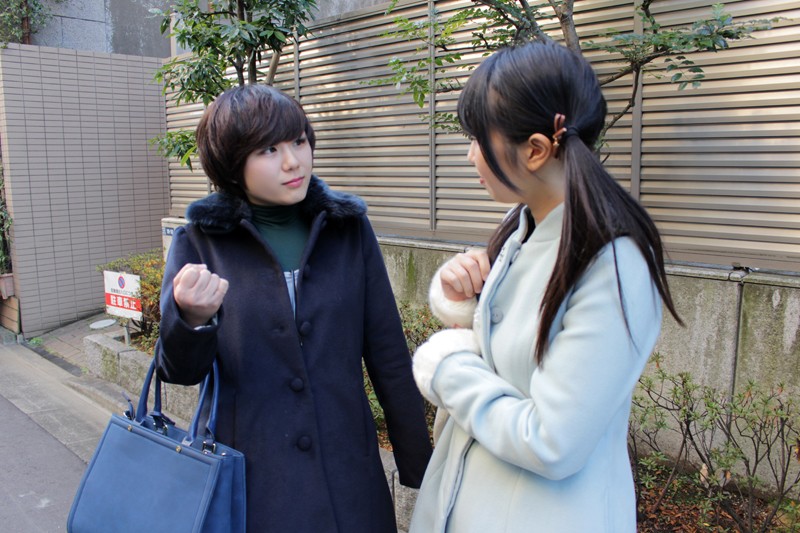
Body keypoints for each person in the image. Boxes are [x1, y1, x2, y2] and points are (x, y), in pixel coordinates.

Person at [409, 41, 682, 533]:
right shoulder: (525, 226)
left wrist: (445, 365)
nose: (470, 155)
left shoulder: (612, 264)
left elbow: (552, 441)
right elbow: (514, 349)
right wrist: (461, 298)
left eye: (478, 138)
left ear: (535, 150)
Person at [155, 84, 432, 533]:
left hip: (349, 473)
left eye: (299, 141)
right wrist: (190, 318)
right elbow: (178, 371)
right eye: (268, 149)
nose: (293, 161)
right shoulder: (202, 241)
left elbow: (387, 352)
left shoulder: (347, 229)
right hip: (254, 479)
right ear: (231, 162)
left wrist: (418, 461)